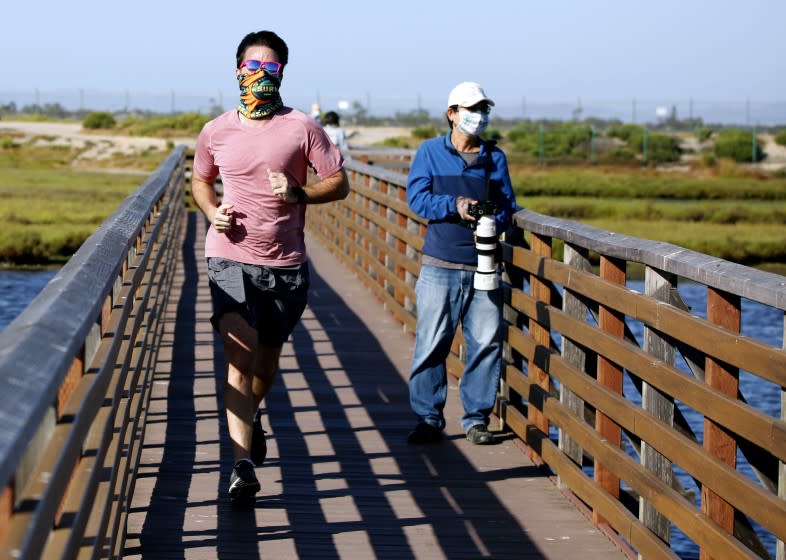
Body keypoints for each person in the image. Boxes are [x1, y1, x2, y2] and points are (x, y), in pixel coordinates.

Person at [191, 30, 349, 505]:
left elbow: (339, 183)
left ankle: (251, 419)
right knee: (238, 360)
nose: (260, 75)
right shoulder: (215, 130)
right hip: (228, 255)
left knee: (265, 363)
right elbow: (201, 180)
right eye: (252, 67)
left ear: (283, 73)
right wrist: (209, 210)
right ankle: (240, 465)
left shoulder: (303, 128)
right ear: (237, 70)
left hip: (284, 262)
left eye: (271, 69)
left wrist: (300, 193)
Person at [405, 82, 517, 446]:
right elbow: (417, 199)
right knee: (431, 343)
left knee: (485, 343)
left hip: (484, 265)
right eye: (471, 109)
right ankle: (428, 417)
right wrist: (454, 205)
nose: (478, 116)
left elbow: (507, 206)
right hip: (441, 263)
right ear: (451, 113)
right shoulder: (429, 152)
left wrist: (492, 219)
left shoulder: (494, 158)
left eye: (484, 109)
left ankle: (476, 419)